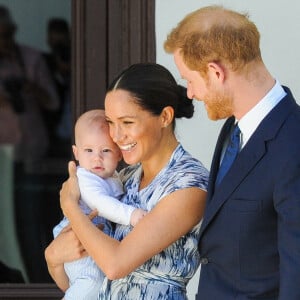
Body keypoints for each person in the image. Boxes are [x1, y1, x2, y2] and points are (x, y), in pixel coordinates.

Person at [164, 5, 300, 299]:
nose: (189, 93)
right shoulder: (231, 129)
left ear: (215, 72)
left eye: (190, 80)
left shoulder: (294, 143)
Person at [45, 63, 209, 299]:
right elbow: (80, 284)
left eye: (127, 123)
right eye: (111, 122)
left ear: (165, 116)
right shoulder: (124, 179)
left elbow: (115, 265)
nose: (116, 136)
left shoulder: (189, 184)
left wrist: (70, 206)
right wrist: (53, 259)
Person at [53, 109, 147, 299]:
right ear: (76, 152)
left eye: (105, 150)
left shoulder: (115, 177)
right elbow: (101, 204)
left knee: (94, 284)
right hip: (75, 236)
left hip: (93, 236)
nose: (97, 158)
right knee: (91, 280)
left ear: (118, 154)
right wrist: (132, 215)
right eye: (89, 150)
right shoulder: (85, 177)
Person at [0, 5, 60, 282]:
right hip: (3, 158)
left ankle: (36, 282)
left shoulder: (31, 59)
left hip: (33, 156)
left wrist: (29, 87)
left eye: (8, 33)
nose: (6, 40)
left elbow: (53, 102)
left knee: (33, 224)